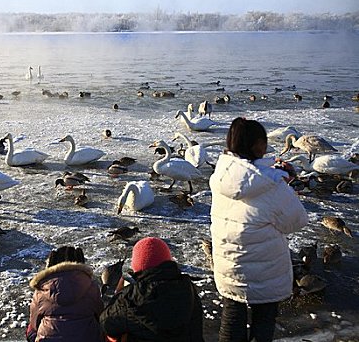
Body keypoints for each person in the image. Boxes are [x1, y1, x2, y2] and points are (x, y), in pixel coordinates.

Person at [209, 117, 308, 342]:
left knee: (232, 318)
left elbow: (249, 178)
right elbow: (297, 221)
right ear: (258, 146)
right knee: (263, 321)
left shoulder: (221, 177)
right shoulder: (271, 185)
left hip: (229, 265)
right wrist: (284, 183)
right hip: (265, 271)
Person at [99, 237, 204, 342]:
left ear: (137, 265)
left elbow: (106, 324)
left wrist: (119, 295)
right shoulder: (188, 288)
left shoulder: (131, 298)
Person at [26, 246, 104, 342]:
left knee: (30, 330)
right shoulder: (91, 286)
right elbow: (100, 316)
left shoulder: (41, 291)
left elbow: (34, 324)